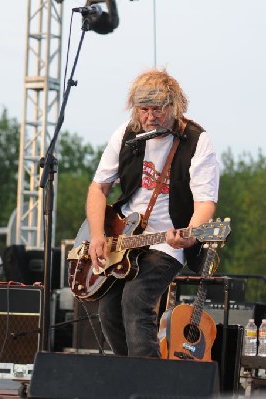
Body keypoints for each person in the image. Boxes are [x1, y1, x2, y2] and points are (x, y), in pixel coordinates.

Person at [85, 68, 219, 357]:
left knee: (136, 301)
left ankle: (150, 383)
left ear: (174, 106)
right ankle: (129, 375)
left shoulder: (197, 140)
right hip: (123, 237)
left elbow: (205, 202)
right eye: (143, 109)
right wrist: (97, 235)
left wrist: (190, 235)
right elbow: (99, 188)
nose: (149, 117)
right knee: (108, 310)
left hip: (166, 241)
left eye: (157, 109)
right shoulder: (126, 134)